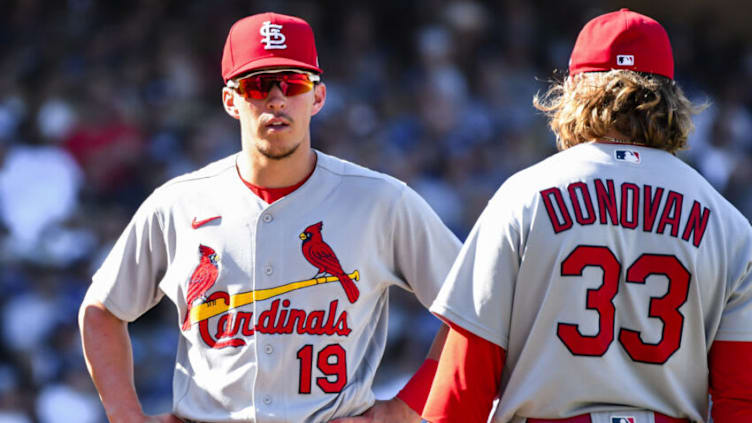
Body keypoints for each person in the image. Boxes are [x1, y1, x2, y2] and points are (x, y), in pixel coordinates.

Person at [78, 12, 461, 423]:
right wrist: (127, 416)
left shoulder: (381, 201)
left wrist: (403, 410)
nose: (276, 98)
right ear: (230, 99)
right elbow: (101, 311)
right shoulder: (178, 203)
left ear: (317, 97)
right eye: (258, 85)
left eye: (293, 83)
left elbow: (474, 308)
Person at [422, 8, 752, 423]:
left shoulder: (524, 197)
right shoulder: (727, 222)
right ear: (670, 98)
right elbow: (742, 400)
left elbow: (463, 385)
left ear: (575, 90)